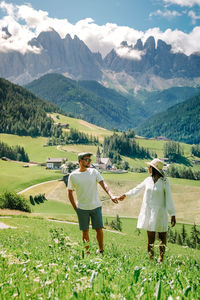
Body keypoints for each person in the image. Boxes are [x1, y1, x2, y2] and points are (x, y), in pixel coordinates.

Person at [118, 158, 176, 262]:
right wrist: (125, 195)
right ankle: (151, 258)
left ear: (154, 169)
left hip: (160, 212)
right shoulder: (148, 180)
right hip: (149, 211)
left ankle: (161, 258)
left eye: (149, 167)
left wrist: (172, 214)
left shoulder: (164, 182)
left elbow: (169, 198)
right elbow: (137, 189)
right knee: (150, 238)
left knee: (162, 236)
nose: (148, 168)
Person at [67, 152, 118, 255]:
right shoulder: (73, 176)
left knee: (99, 229)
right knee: (85, 232)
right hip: (82, 208)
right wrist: (76, 208)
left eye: (90, 160)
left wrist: (111, 195)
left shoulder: (94, 172)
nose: (89, 161)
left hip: (96, 206)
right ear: (80, 161)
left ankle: (101, 250)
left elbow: (104, 185)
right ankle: (87, 253)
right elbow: (69, 193)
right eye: (87, 159)